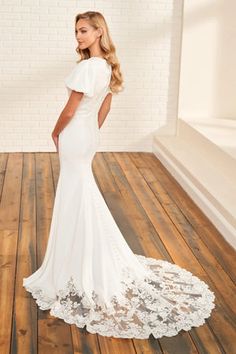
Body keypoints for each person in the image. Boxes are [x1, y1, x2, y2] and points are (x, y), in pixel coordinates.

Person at [23, 11, 215, 339]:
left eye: (84, 30)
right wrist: (90, 132)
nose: (79, 37)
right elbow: (105, 106)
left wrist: (56, 133)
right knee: (80, 191)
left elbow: (70, 109)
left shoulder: (87, 68)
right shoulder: (107, 68)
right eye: (76, 31)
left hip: (73, 134)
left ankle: (74, 263)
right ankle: (80, 255)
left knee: (76, 192)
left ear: (99, 32)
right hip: (87, 136)